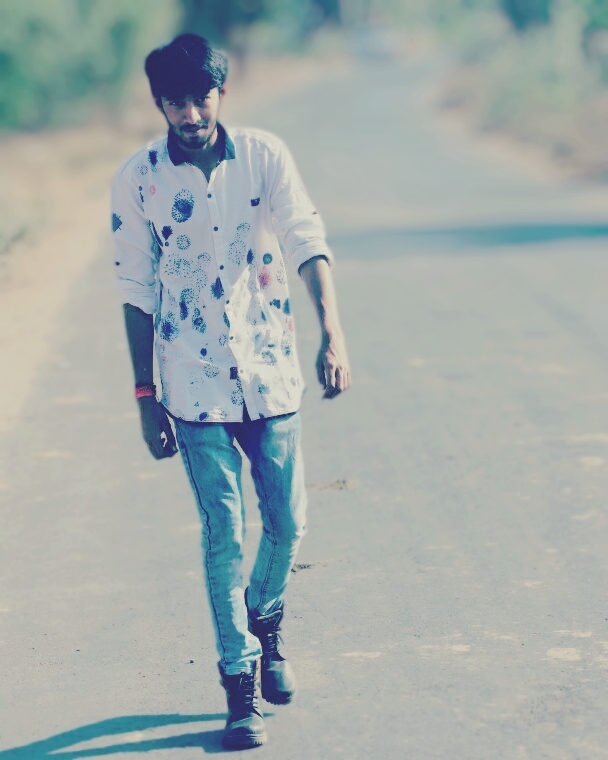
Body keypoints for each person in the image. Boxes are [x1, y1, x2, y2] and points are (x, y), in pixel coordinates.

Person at [111, 33, 350, 749]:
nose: (190, 114)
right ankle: (240, 686)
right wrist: (145, 394)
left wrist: (333, 333)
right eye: (175, 102)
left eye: (201, 97)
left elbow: (305, 237)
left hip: (270, 368)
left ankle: (264, 616)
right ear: (159, 104)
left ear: (221, 92)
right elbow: (134, 287)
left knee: (288, 523)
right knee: (223, 532)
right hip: (192, 381)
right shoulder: (139, 179)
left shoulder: (263, 157)